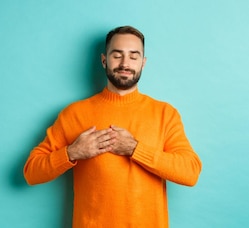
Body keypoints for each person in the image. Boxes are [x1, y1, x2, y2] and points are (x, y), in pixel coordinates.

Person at [23, 25, 202, 227]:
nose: (125, 63)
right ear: (104, 60)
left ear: (143, 63)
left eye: (133, 56)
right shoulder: (74, 113)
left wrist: (135, 149)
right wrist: (72, 152)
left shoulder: (165, 114)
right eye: (117, 55)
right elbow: (31, 172)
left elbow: (190, 172)